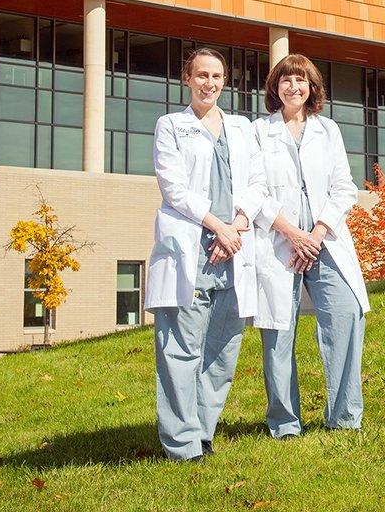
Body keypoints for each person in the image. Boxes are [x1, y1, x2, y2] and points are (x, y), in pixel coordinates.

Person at [147, 47, 265, 460]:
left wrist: (237, 225)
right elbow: (173, 188)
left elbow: (257, 181)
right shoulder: (171, 126)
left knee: (222, 347)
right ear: (187, 78)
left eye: (216, 76)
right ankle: (181, 443)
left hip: (234, 247)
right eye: (201, 75)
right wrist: (217, 227)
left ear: (225, 81)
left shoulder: (241, 127)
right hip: (192, 246)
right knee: (180, 348)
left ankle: (203, 431)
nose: (209, 83)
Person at [253, 54, 368, 438]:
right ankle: (285, 424)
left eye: (301, 81)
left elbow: (343, 187)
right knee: (278, 332)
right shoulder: (259, 131)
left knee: (346, 316)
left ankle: (345, 417)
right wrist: (291, 233)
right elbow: (254, 192)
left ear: (311, 87)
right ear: (275, 87)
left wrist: (316, 233)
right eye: (286, 80)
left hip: (325, 242)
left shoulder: (328, 130)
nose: (293, 87)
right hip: (279, 242)